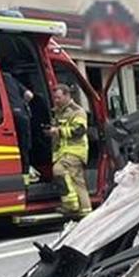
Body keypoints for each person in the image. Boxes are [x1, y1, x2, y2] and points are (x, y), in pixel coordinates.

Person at [47, 83, 91, 219]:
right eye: (55, 98)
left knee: (59, 170)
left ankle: (70, 205)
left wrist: (59, 131)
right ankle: (86, 212)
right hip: (64, 151)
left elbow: (80, 130)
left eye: (59, 97)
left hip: (75, 151)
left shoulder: (77, 111)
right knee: (78, 182)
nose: (56, 100)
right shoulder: (58, 111)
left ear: (67, 95)